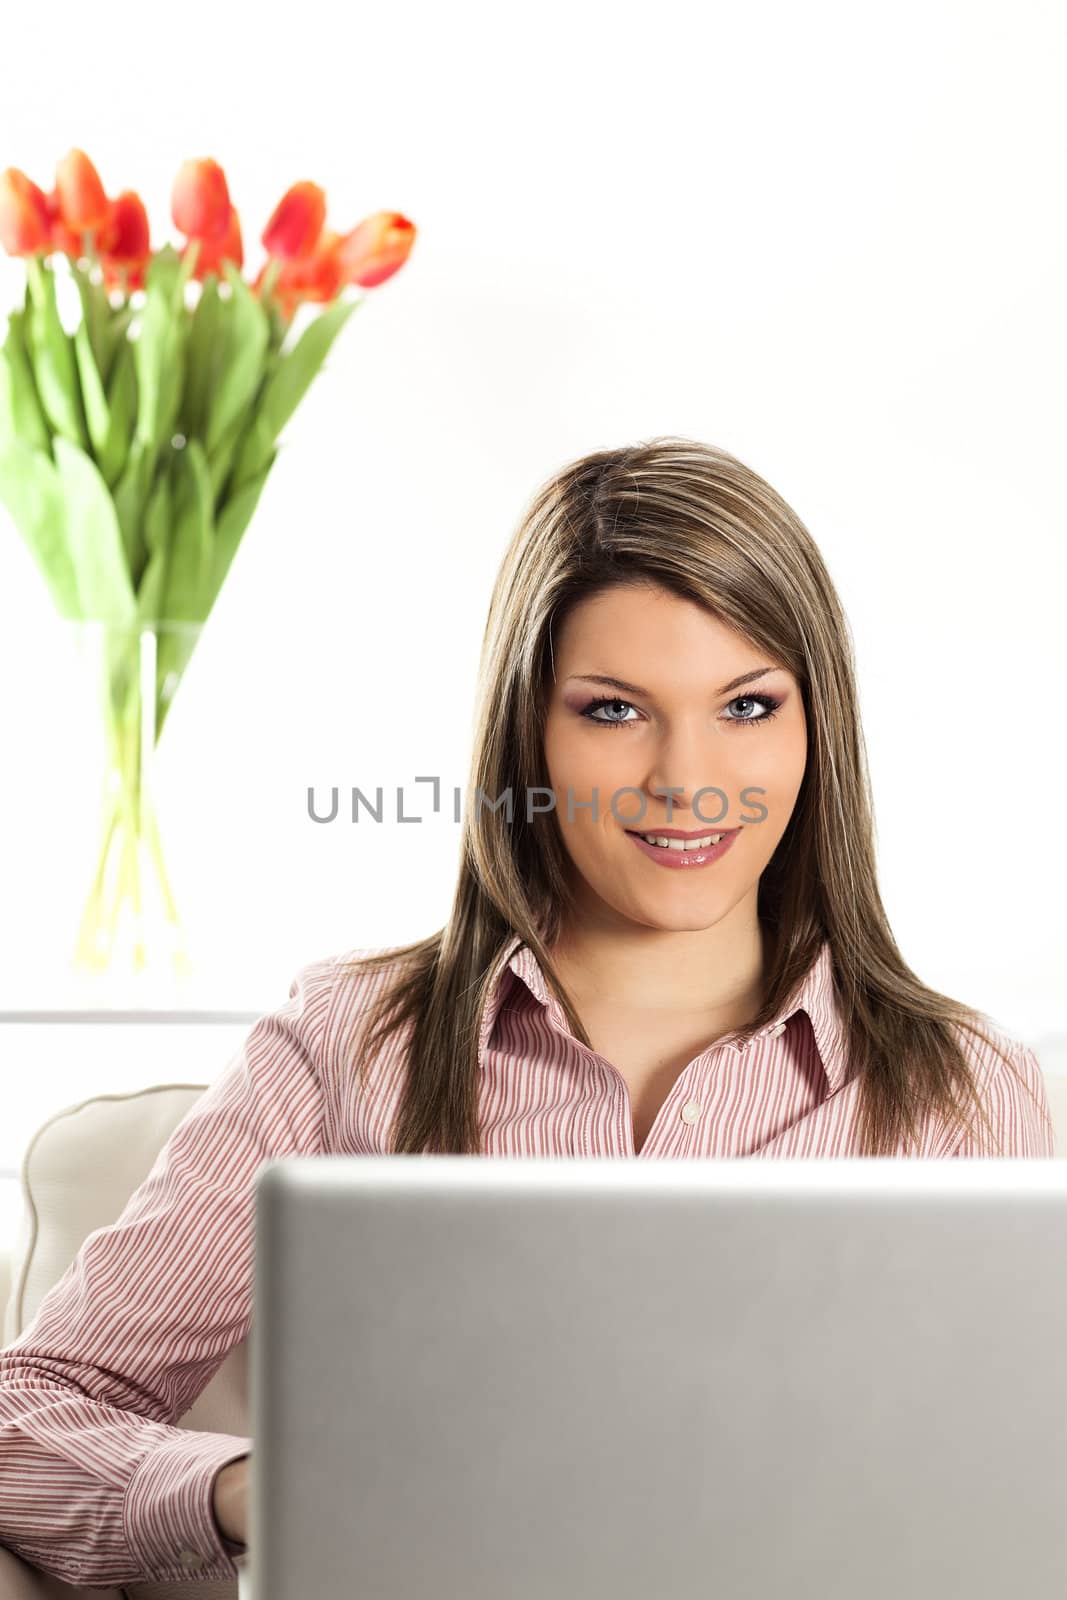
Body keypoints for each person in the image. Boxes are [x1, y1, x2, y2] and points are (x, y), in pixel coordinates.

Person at [0, 436, 1053, 1586]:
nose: (684, 777)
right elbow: (31, 1416)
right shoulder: (352, 1045)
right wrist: (261, 1486)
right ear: (526, 733)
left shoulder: (970, 1092)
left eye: (747, 704)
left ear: (815, 728)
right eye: (612, 711)